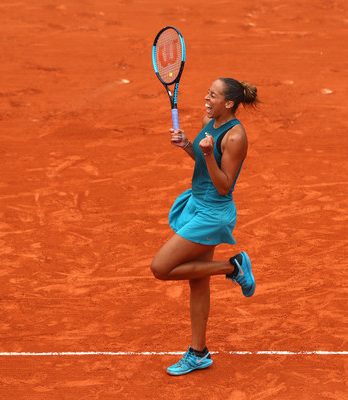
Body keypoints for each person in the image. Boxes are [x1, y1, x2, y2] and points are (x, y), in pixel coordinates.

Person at [150, 77, 258, 376]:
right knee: (197, 282)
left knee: (161, 268)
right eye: (207, 92)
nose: (207, 99)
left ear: (230, 103)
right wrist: (189, 145)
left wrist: (209, 153)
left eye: (213, 95)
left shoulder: (235, 137)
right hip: (196, 204)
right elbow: (201, 161)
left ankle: (233, 267)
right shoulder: (207, 121)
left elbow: (224, 185)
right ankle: (198, 353)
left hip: (213, 212)